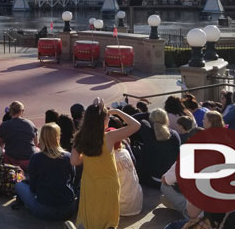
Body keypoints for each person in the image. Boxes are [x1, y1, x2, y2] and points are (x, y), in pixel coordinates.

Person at [70, 97, 141, 229]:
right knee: (108, 220)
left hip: (90, 184)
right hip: (109, 183)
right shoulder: (109, 137)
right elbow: (136, 125)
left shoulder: (80, 138)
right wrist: (116, 112)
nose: (109, 118)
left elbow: (74, 161)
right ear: (102, 120)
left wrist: (87, 156)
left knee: (90, 217)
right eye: (107, 117)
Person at [13, 123, 77, 220]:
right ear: (58, 137)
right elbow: (72, 179)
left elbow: (33, 187)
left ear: (42, 138)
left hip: (44, 209)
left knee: (19, 185)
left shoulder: (36, 158)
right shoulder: (68, 157)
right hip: (68, 209)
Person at [136, 108, 181, 186]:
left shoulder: (147, 133)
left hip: (152, 180)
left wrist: (149, 114)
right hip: (171, 180)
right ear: (166, 119)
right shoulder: (174, 135)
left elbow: (136, 119)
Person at [0, 101, 38, 171]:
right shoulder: (30, 124)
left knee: (2, 152)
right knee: (38, 150)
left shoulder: (4, 125)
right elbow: (36, 143)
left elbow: (0, 145)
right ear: (21, 111)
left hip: (11, 160)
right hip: (29, 160)